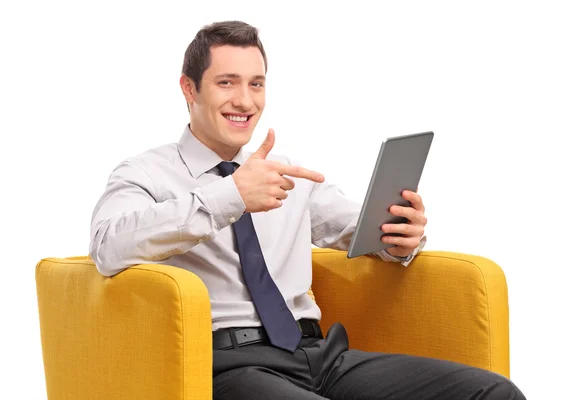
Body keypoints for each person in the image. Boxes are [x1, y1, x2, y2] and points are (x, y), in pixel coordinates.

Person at [89, 20, 525, 400]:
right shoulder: (145, 173)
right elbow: (108, 246)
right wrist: (230, 196)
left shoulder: (287, 174)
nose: (245, 100)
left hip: (318, 353)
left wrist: (401, 236)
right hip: (229, 364)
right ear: (189, 88)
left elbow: (362, 229)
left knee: (493, 392)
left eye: (256, 84)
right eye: (227, 82)